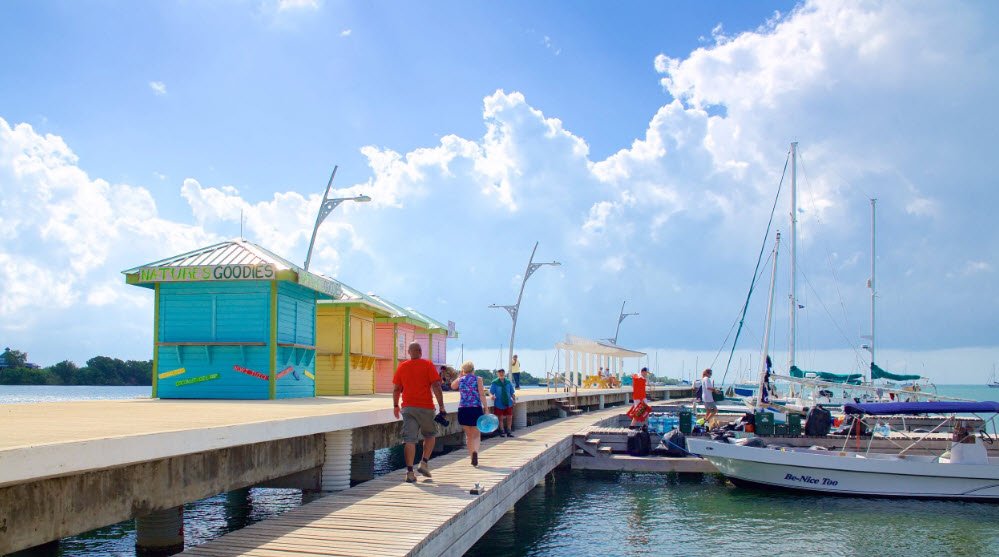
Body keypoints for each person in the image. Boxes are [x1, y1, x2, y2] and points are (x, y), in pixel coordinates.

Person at [392, 342, 447, 483]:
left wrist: (395, 405)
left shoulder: (402, 367)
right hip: (426, 407)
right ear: (420, 351)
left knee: (409, 439)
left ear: (409, 352)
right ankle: (424, 462)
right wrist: (441, 406)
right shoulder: (428, 365)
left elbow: (396, 389)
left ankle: (409, 473)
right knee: (430, 435)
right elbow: (436, 386)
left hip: (408, 408)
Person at [451, 361, 488, 466]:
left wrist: (460, 376)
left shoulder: (460, 380)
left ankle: (472, 456)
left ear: (463, 370)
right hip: (475, 409)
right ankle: (475, 452)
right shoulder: (478, 379)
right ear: (473, 369)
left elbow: (452, 386)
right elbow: (482, 395)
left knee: (469, 436)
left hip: (463, 409)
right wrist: (486, 408)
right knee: (476, 434)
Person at [490, 368, 517, 436]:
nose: (501, 373)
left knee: (509, 417)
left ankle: (509, 431)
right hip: (499, 402)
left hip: (508, 402)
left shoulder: (508, 382)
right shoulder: (495, 382)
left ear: (504, 373)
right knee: (500, 418)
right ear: (497, 374)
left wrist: (514, 400)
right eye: (499, 372)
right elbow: (491, 392)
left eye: (502, 372)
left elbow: (512, 392)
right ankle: (502, 431)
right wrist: (492, 396)